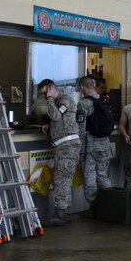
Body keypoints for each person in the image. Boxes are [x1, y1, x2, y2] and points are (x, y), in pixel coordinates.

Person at [37, 79, 81, 227]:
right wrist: (49, 126)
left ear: (51, 88)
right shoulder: (58, 103)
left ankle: (61, 213)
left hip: (68, 146)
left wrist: (49, 99)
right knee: (62, 178)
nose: (44, 97)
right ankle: (62, 211)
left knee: (61, 179)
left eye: (45, 93)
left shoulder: (65, 100)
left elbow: (57, 116)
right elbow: (58, 120)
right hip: (64, 146)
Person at [75, 76, 112, 220]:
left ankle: (94, 208)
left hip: (89, 146)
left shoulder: (83, 103)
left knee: (89, 175)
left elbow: (81, 127)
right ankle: (108, 205)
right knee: (103, 174)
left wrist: (79, 147)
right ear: (94, 85)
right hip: (104, 144)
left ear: (83, 88)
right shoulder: (103, 100)